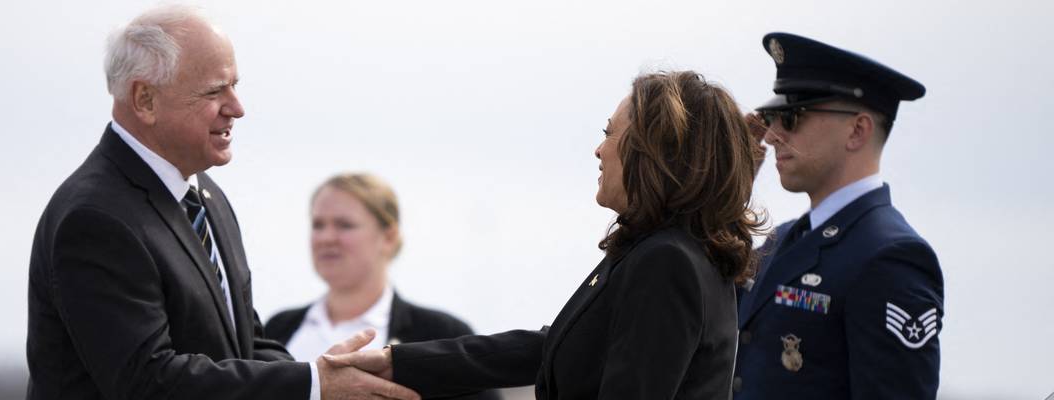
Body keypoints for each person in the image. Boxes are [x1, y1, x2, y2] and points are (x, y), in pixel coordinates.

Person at [25, 5, 418, 400]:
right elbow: (148, 382)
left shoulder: (203, 195)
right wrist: (314, 385)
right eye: (215, 91)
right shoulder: (96, 218)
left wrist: (323, 377)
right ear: (144, 99)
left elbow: (245, 345)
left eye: (234, 85)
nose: (237, 107)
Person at [327, 71, 764, 399]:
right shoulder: (664, 250)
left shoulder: (666, 261)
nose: (599, 149)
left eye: (610, 133)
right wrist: (396, 363)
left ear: (656, 150)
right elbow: (549, 345)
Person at [732, 32, 944, 399]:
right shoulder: (780, 241)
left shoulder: (891, 257)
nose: (770, 136)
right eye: (771, 117)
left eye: (791, 117)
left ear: (857, 130)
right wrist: (730, 190)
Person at [265, 173, 501, 400]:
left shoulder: (441, 334)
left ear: (388, 237)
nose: (326, 237)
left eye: (344, 225)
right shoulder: (278, 329)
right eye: (318, 225)